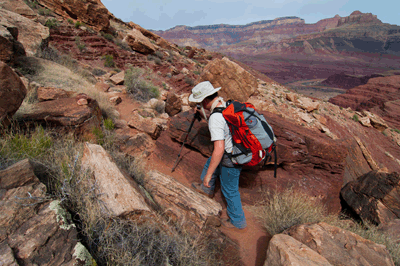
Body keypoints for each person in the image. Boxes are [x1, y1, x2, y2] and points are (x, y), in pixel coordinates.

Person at [188, 81, 247, 229]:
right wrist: (202, 113)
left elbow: (219, 149)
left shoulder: (215, 118)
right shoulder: (225, 105)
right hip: (237, 149)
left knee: (230, 190)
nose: (200, 104)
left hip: (231, 157)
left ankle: (238, 222)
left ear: (205, 100)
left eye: (200, 102)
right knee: (211, 162)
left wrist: (208, 175)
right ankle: (206, 189)